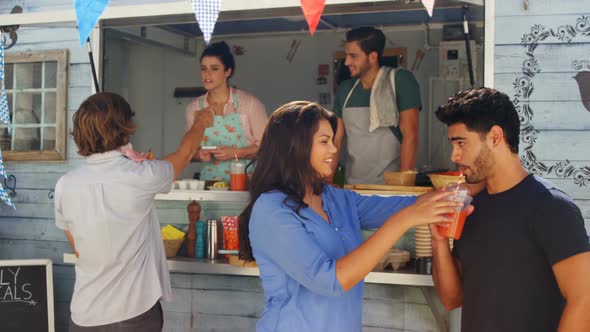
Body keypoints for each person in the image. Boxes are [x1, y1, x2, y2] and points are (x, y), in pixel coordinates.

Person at [238, 101, 462, 331]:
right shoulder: (272, 210)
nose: (334, 150)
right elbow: (329, 280)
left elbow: (409, 205)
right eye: (324, 141)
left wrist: (466, 190)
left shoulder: (335, 198)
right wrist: (404, 221)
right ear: (295, 146)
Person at [431, 88, 590, 332]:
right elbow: (452, 299)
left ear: (495, 136)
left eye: (461, 143)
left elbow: (584, 301)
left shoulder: (552, 208)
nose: (455, 155)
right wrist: (438, 237)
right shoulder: (472, 208)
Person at [54, 92, 213, 331]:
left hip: (85, 315)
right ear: (124, 128)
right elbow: (185, 154)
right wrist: (201, 122)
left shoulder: (65, 184)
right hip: (133, 315)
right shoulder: (141, 176)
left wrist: (126, 155)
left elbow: (78, 247)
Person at [333, 27, 421, 184]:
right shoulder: (345, 89)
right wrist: (327, 182)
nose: (346, 62)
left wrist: (403, 188)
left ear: (373, 57)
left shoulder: (400, 81)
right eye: (346, 56)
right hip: (353, 187)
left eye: (353, 56)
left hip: (389, 189)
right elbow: (336, 141)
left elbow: (411, 135)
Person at [185, 41, 268, 182]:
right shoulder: (194, 108)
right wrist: (200, 155)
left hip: (247, 184)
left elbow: (267, 147)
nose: (207, 74)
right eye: (203, 68)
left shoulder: (250, 104)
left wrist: (236, 153)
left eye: (214, 68)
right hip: (210, 185)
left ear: (227, 71)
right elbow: (188, 151)